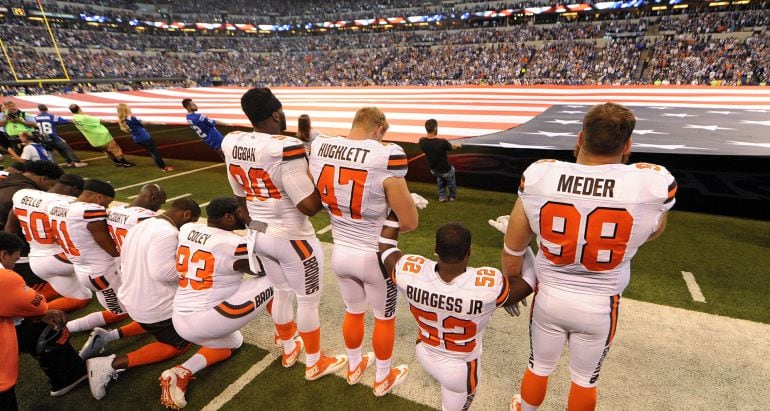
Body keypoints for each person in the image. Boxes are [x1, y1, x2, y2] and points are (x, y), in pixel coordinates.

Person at [505, 103, 676, 411]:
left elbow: (514, 244)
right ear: (627, 147)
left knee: (538, 366)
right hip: (601, 305)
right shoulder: (651, 182)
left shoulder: (541, 173)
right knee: (585, 380)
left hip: (550, 298)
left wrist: (512, 282)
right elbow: (654, 229)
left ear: (580, 139)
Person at [222, 87, 347, 381]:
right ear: (277, 113)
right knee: (307, 300)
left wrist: (258, 225)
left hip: (259, 232)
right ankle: (315, 361)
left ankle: (290, 348)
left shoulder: (233, 142)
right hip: (292, 237)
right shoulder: (284, 147)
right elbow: (308, 206)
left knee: (280, 291)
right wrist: (324, 180)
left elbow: (240, 195)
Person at [308, 107, 417, 395]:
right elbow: (409, 223)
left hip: (340, 251)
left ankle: (354, 366)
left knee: (353, 311)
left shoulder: (321, 145)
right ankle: (382, 377)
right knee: (384, 317)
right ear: (379, 129)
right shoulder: (386, 154)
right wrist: (396, 208)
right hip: (374, 255)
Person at [378, 219, 532, 410]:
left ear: (436, 249)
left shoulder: (408, 273)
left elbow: (385, 247)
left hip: (425, 351)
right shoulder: (488, 287)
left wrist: (393, 214)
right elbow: (530, 281)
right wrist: (518, 241)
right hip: (460, 370)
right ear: (469, 251)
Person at [160, 198, 274, 410]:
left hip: (180, 317)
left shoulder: (188, 229)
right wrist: (256, 225)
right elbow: (264, 265)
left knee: (233, 341)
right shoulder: (231, 244)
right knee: (277, 277)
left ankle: (180, 372)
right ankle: (287, 336)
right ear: (228, 217)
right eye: (240, 213)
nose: (244, 216)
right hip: (207, 318)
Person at [86, 198, 201, 401]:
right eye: (191, 222)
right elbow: (163, 273)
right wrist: (191, 268)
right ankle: (109, 364)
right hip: (152, 305)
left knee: (153, 322)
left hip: (133, 297)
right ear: (186, 214)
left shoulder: (143, 225)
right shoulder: (168, 232)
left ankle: (108, 336)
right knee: (179, 344)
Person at [44, 180, 146, 357]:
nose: (105, 207)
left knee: (118, 310)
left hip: (83, 268)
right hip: (102, 272)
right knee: (136, 311)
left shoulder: (57, 206)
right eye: (106, 203)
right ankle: (83, 334)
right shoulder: (90, 211)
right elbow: (108, 245)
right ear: (98, 197)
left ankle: (66, 328)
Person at [0, 232, 88, 410]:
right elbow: (38, 306)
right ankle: (69, 376)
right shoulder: (5, 278)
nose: (14, 266)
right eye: (14, 260)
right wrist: (40, 313)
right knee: (49, 326)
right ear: (3, 254)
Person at [5, 174, 93, 313]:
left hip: (36, 260)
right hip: (59, 258)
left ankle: (24, 309)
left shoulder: (23, 195)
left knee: (83, 296)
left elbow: (10, 229)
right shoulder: (67, 203)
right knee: (111, 257)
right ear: (74, 189)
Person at [106, 184, 167, 253]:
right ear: (153, 199)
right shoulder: (145, 217)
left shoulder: (114, 210)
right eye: (161, 203)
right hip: (133, 259)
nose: (159, 208)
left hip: (117, 256)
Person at [68, 104, 134, 167]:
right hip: (102, 137)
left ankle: (117, 162)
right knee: (115, 150)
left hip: (94, 140)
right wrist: (111, 121)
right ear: (79, 108)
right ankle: (125, 163)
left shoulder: (74, 119)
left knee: (107, 151)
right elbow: (99, 120)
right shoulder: (84, 117)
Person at [116, 104, 173, 172]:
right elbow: (142, 122)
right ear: (126, 109)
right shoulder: (131, 118)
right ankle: (163, 167)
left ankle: (161, 165)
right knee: (154, 152)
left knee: (152, 152)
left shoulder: (123, 120)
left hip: (137, 139)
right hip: (144, 138)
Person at [418, 119, 461, 202]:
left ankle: (442, 197)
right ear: (435, 129)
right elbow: (452, 147)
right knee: (451, 182)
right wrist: (458, 145)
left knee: (440, 181)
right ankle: (452, 196)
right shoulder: (442, 142)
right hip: (446, 169)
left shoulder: (422, 141)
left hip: (434, 170)